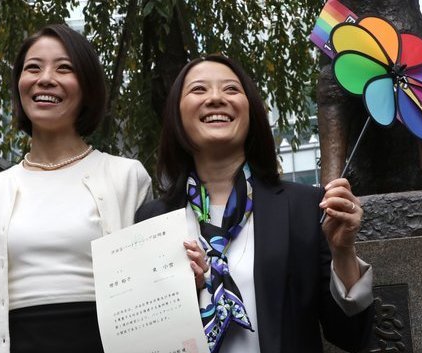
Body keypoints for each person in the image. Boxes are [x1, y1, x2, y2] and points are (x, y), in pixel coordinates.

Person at [0, 24, 152, 353]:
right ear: (19, 85)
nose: (45, 78)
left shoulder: (127, 177)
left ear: (87, 87)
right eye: (33, 68)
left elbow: (149, 295)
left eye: (64, 68)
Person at [135, 55, 374, 353]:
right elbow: (142, 339)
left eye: (231, 90)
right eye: (198, 90)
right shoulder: (152, 220)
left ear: (251, 111)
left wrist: (343, 252)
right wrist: (182, 297)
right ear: (176, 115)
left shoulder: (304, 206)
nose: (216, 98)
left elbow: (351, 335)